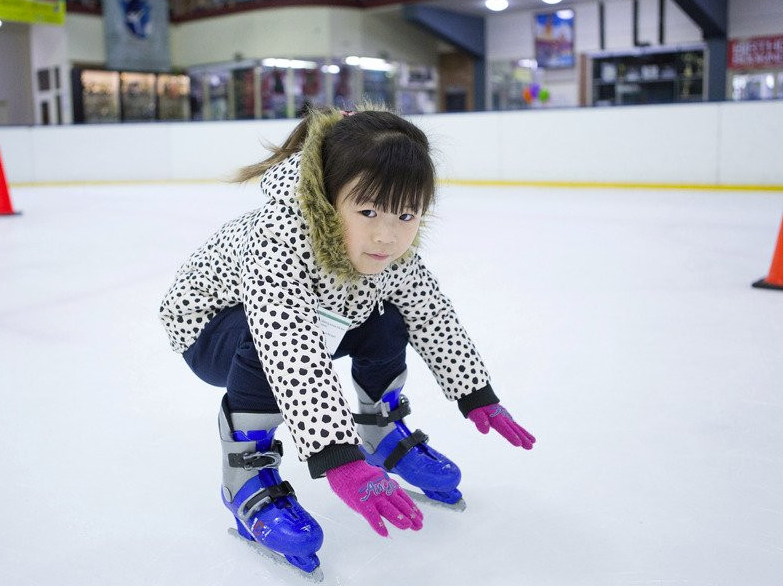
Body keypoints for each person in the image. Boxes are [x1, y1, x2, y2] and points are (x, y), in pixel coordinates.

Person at [159, 106, 535, 574]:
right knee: (269, 337)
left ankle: (378, 429)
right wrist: (339, 458)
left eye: (406, 213)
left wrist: (476, 393)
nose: (387, 234)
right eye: (368, 210)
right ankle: (245, 472)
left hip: (314, 321)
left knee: (389, 314)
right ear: (328, 198)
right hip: (211, 331)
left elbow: (431, 313)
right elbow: (290, 347)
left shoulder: (391, 250)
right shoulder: (280, 238)